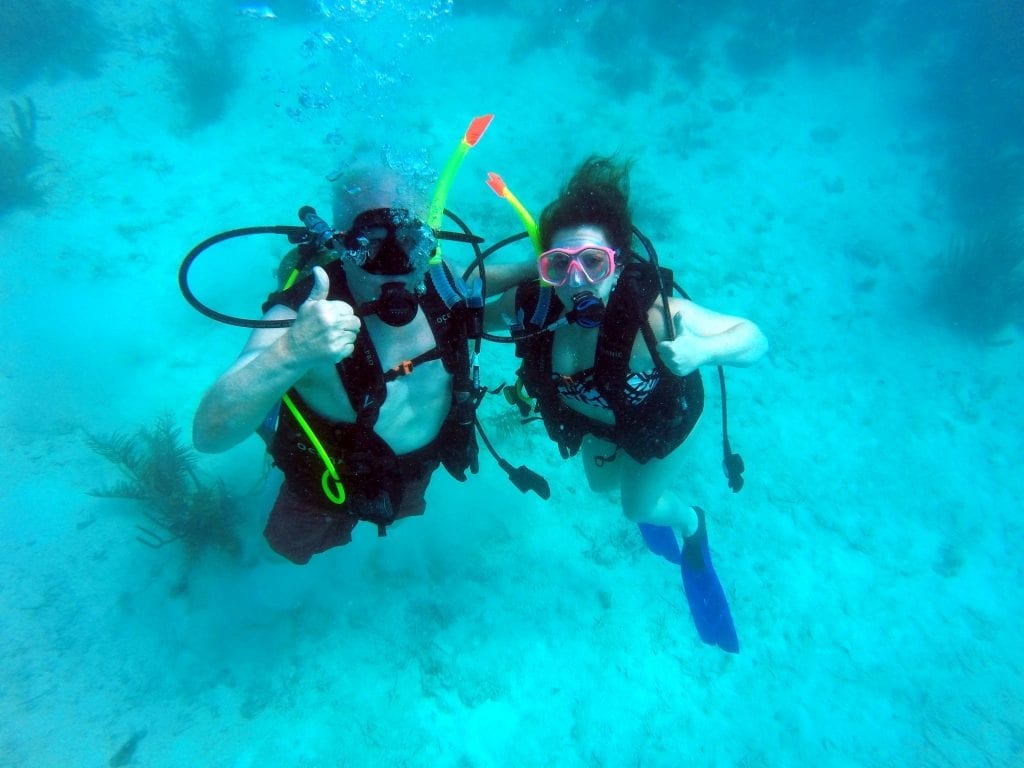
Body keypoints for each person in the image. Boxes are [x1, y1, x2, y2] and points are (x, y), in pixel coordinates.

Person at [487, 156, 768, 652]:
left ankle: (690, 525)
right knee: (600, 487)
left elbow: (753, 339)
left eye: (593, 262)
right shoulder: (535, 307)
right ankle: (648, 500)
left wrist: (704, 349)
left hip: (661, 425)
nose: (577, 282)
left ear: (617, 263)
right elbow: (462, 305)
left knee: (635, 506)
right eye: (560, 265)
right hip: (598, 422)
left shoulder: (654, 319)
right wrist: (527, 271)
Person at [193, 163, 534, 564]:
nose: (395, 263)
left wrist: (544, 268)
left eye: (409, 239)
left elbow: (488, 277)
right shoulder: (303, 316)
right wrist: (291, 354)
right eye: (369, 245)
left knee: (401, 518)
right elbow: (208, 435)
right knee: (286, 548)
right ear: (340, 242)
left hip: (412, 470)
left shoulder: (437, 278)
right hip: (324, 483)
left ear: (427, 238)